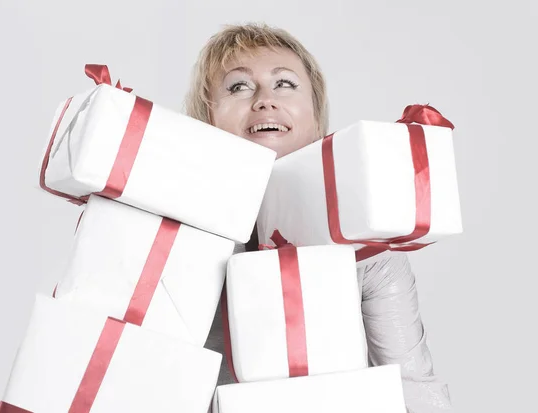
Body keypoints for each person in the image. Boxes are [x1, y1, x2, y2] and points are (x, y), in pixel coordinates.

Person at [185, 23, 454, 412]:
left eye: (285, 84)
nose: (264, 100)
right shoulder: (169, 232)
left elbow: (410, 384)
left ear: (317, 124)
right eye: (238, 86)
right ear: (205, 119)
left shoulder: (368, 244)